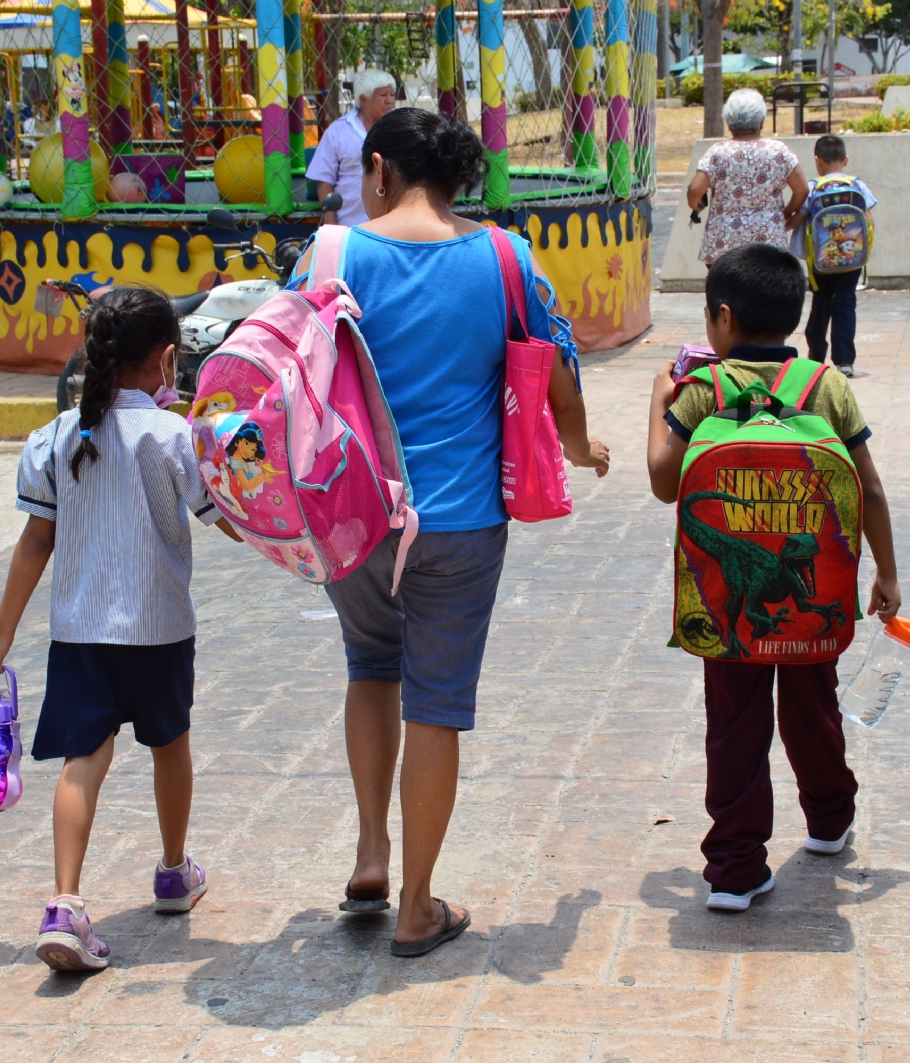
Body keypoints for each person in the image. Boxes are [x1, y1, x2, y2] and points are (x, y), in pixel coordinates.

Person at [296, 108, 610, 957]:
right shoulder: (504, 257)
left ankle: (371, 850)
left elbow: (286, 371)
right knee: (436, 707)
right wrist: (582, 450)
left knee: (370, 665)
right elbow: (556, 370)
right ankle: (417, 905)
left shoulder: (332, 254)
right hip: (465, 520)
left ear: (378, 171)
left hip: (355, 517)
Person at [0, 288, 242, 972]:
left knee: (82, 760)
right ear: (168, 359)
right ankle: (174, 871)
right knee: (169, 745)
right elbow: (227, 518)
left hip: (81, 633)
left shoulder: (60, 437)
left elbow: (36, 540)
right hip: (159, 630)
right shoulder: (175, 438)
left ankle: (64, 902)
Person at [644, 243, 901, 912]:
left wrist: (657, 401)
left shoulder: (704, 389)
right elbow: (868, 490)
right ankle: (829, 819)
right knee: (813, 706)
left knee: (733, 723)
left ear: (723, 318)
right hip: (813, 593)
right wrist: (888, 576)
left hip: (734, 605)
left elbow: (665, 481)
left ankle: (734, 868)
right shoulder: (826, 386)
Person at [687, 88, 808, 264]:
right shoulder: (779, 151)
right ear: (761, 122)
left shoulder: (717, 152)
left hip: (724, 244)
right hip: (768, 242)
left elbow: (695, 190)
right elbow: (802, 190)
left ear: (728, 123)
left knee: (726, 291)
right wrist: (785, 212)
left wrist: (696, 206)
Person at [796, 134, 874, 377]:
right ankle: (845, 361)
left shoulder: (812, 188)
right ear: (846, 160)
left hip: (821, 263)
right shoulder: (858, 186)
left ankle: (816, 356)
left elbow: (799, 219)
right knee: (845, 305)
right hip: (851, 262)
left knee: (821, 305)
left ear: (817, 161)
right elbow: (869, 221)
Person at [307, 68, 398, 225]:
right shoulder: (337, 132)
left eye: (392, 94)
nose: (389, 100)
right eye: (383, 95)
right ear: (364, 99)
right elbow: (324, 181)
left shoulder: (400, 129)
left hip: (391, 230)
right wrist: (331, 228)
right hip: (349, 228)